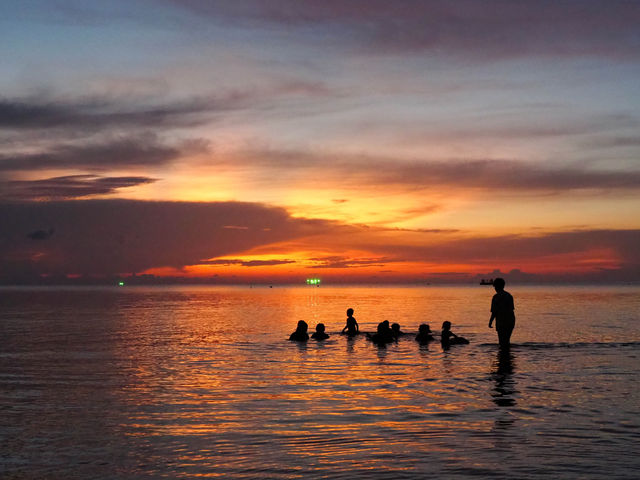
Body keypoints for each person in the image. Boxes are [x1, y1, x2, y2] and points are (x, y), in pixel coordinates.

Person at [488, 277, 516, 348]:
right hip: (510, 320)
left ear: (496, 286)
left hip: (501, 321)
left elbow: (494, 312)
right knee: (507, 341)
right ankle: (507, 357)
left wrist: (490, 321)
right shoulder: (509, 295)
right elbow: (511, 309)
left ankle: (503, 357)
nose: (495, 288)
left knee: (502, 342)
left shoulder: (496, 297)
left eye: (495, 286)